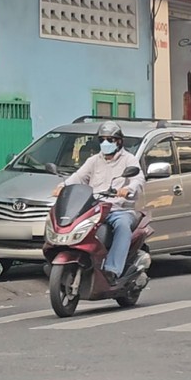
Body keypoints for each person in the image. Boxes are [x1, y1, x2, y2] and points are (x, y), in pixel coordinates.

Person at [53, 121, 145, 285]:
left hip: (119, 209)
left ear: (119, 141)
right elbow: (79, 176)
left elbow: (138, 179)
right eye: (102, 139)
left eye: (110, 139)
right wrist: (63, 186)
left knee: (122, 226)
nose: (105, 143)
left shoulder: (129, 160)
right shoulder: (94, 160)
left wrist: (128, 189)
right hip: (95, 208)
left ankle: (112, 270)